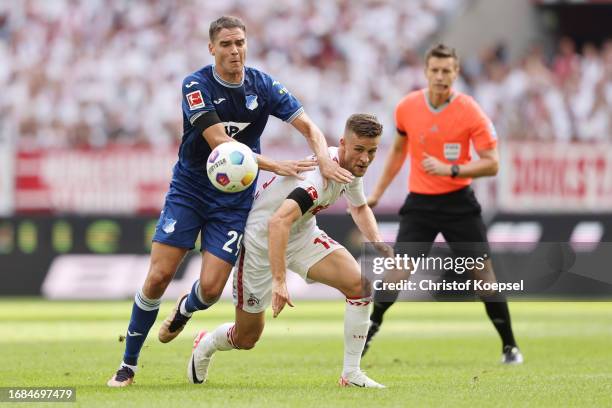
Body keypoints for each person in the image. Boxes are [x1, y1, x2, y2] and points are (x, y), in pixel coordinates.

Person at [107, 15, 353, 387]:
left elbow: (309, 127)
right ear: (212, 49)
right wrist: (275, 163)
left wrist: (321, 156)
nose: (234, 50)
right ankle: (128, 364)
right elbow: (221, 143)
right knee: (158, 276)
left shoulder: (263, 85)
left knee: (209, 290)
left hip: (234, 200)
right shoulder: (196, 84)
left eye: (239, 43)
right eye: (226, 44)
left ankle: (185, 310)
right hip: (190, 190)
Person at [188, 114, 389, 388]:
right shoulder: (315, 182)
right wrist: (280, 281)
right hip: (262, 243)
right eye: (359, 150)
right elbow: (277, 222)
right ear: (342, 144)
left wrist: (376, 240)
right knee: (247, 338)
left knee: (359, 285)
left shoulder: (349, 168)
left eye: (372, 151)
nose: (365, 158)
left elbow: (359, 206)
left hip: (301, 235)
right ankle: (207, 343)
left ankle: (351, 374)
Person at [362, 44, 523, 364]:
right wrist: (378, 191)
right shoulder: (407, 107)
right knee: (397, 273)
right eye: (434, 70)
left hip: (458, 203)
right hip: (420, 204)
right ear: (426, 72)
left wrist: (452, 169)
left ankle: (510, 347)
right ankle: (365, 338)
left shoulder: (470, 111)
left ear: (456, 73)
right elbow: (398, 151)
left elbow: (492, 164)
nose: (440, 76)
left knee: (484, 277)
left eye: (446, 71)